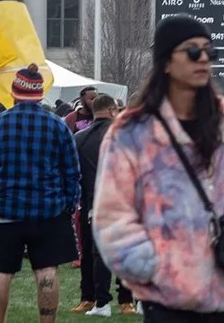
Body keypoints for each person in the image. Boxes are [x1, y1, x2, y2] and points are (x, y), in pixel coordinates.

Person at [93, 14, 224, 321]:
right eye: (192, 51)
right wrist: (152, 267)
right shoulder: (132, 132)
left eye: (209, 52)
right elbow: (112, 215)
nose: (203, 59)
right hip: (166, 302)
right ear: (165, 62)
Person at [0, 63, 81, 323]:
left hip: (3, 211)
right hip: (49, 211)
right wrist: (69, 205)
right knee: (47, 271)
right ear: (39, 94)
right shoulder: (58, 126)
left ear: (14, 93)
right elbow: (71, 171)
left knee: (0, 273)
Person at [73, 93, 135, 317]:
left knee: (92, 255)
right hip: (125, 203)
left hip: (92, 202)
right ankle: (126, 300)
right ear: (112, 111)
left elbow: (74, 173)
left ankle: (94, 299)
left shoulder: (80, 138)